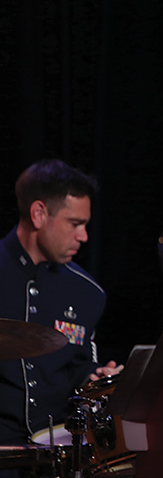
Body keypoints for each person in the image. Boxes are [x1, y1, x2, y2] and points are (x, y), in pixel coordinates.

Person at [0, 159, 121, 455]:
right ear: (39, 214)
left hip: (55, 446)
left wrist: (95, 376)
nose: (83, 236)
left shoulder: (87, 292)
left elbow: (80, 365)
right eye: (74, 224)